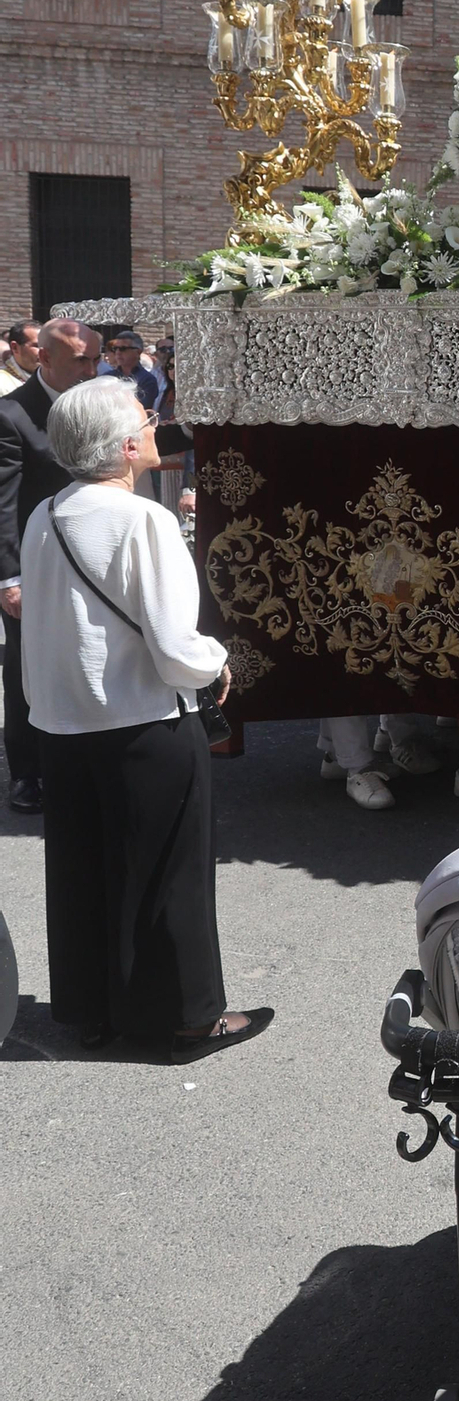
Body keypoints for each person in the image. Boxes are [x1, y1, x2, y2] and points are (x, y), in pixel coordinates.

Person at [18, 381, 270, 1056]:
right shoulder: (144, 519)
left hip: (62, 724)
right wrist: (216, 660)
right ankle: (190, 1017)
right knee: (167, 873)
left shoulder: (45, 512)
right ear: (127, 446)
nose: (157, 425)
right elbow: (174, 644)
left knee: (83, 871)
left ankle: (93, 1009)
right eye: (147, 418)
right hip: (143, 720)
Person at [0, 316, 102, 812]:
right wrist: (10, 578)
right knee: (28, 667)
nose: (91, 370)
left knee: (89, 657)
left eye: (96, 359)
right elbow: (3, 504)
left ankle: (84, 761)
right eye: (80, 360)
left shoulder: (99, 401)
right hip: (35, 566)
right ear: (43, 357)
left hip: (95, 560)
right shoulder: (11, 416)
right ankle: (27, 772)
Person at [101, 330, 161, 413]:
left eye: (123, 349)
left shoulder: (148, 380)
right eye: (115, 349)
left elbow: (140, 409)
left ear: (138, 352)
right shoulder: (107, 377)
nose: (117, 352)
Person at [0, 320, 39, 395]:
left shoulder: (55, 379)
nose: (45, 352)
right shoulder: (2, 383)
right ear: (15, 348)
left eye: (47, 346)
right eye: (37, 346)